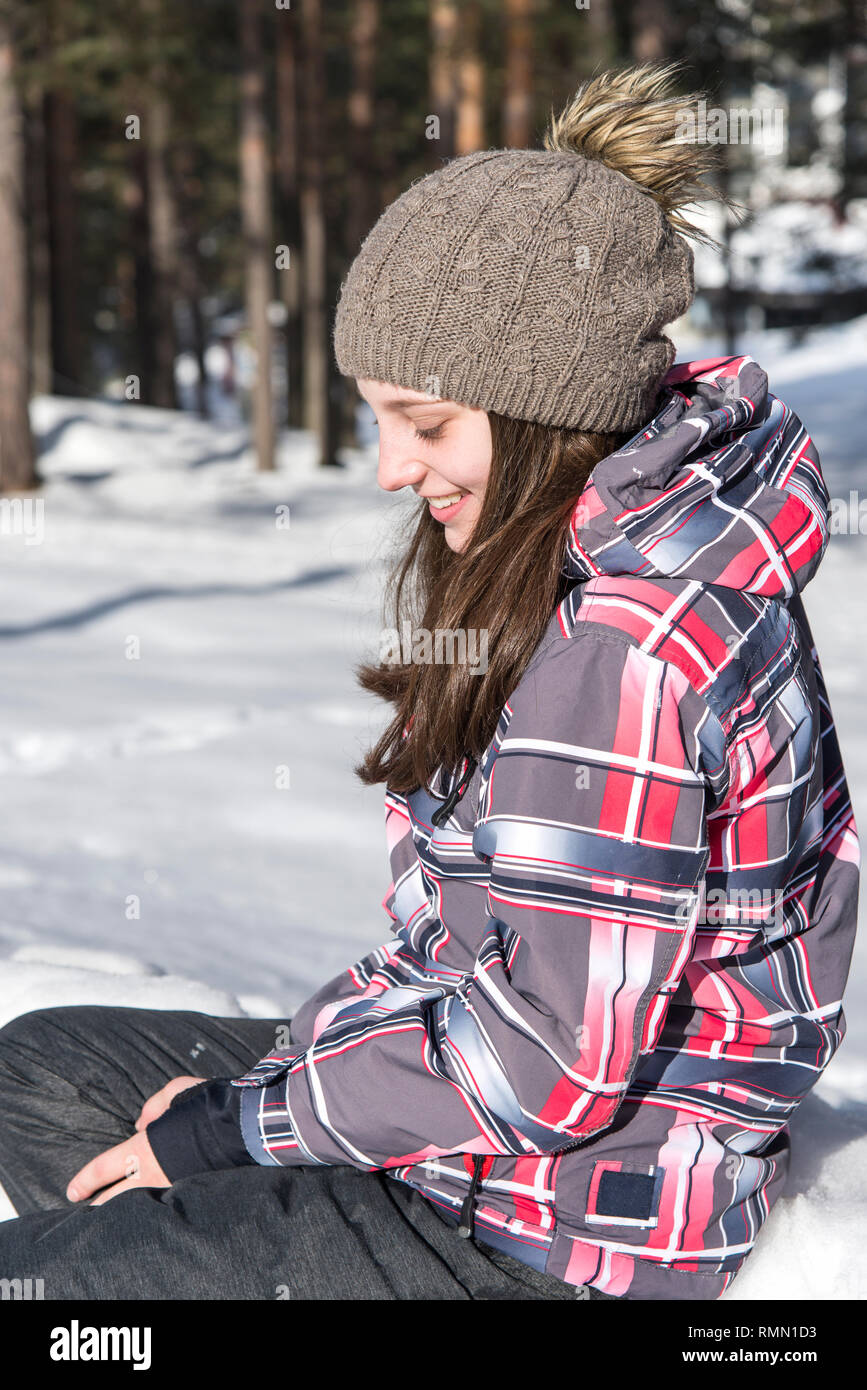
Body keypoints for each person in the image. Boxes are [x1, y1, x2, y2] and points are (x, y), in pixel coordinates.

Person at [0, 63, 859, 1302]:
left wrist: (232, 1128)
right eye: (378, 420)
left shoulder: (625, 647)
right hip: (487, 1137)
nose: (394, 467)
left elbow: (549, 1063)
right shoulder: (589, 549)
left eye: (427, 422)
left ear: (546, 407)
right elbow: (484, 952)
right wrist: (281, 1089)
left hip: (548, 1228)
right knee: (43, 1075)